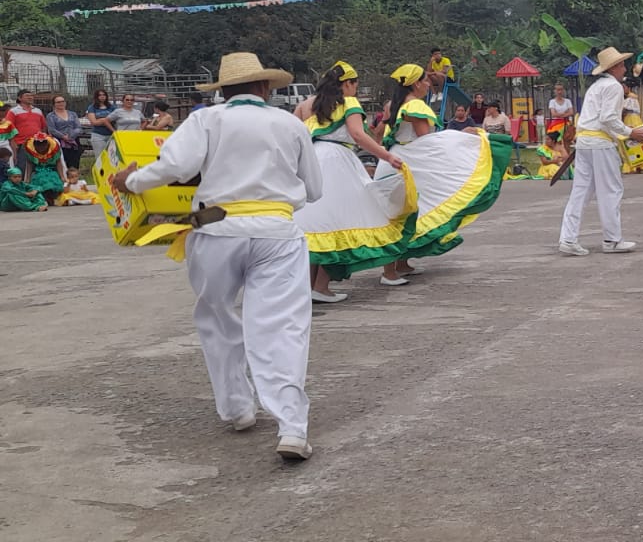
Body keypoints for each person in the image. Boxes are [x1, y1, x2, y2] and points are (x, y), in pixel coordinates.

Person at [108, 52, 323, 461]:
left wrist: (130, 181)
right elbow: (314, 190)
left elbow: (173, 166)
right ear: (264, 87)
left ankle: (238, 408)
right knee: (280, 328)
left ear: (223, 89)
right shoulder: (290, 123)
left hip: (216, 229)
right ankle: (292, 427)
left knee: (217, 317)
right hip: (276, 233)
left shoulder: (206, 119)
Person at [371, 64, 511, 282]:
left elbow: (379, 133)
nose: (428, 85)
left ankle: (401, 264)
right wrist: (460, 135)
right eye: (426, 81)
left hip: (394, 159)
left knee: (403, 212)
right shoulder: (415, 105)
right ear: (416, 84)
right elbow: (427, 140)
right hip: (406, 163)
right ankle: (389, 272)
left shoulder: (392, 105)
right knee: (399, 215)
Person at [295, 61, 412, 304]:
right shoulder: (349, 103)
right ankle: (321, 287)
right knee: (338, 223)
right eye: (355, 84)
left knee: (316, 225)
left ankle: (309, 288)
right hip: (338, 161)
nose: (356, 89)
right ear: (347, 84)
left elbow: (292, 133)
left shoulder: (307, 105)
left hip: (311, 160)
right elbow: (358, 135)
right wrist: (387, 156)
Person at [559, 48, 643, 256]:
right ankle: (612, 239)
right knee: (610, 190)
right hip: (601, 143)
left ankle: (568, 238)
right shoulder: (613, 87)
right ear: (615, 67)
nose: (625, 68)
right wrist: (630, 132)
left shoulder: (596, 86)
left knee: (580, 192)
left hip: (585, 141)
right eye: (622, 65)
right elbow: (608, 117)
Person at [4, 89, 46, 178]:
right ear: (19, 98)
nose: (30, 97)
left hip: (37, 144)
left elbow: (43, 127)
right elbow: (8, 128)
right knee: (22, 168)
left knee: (38, 167)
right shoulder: (13, 111)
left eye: (31, 96)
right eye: (27, 96)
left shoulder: (38, 111)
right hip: (21, 144)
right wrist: (13, 143)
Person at [19, 133, 67, 204]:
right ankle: (43, 198)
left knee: (52, 183)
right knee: (37, 184)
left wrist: (62, 176)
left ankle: (51, 197)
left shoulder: (53, 148)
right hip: (38, 171)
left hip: (51, 171)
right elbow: (29, 164)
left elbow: (58, 162)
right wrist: (27, 178)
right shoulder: (31, 149)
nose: (41, 147)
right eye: (38, 145)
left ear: (47, 144)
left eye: (43, 145)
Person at [45, 95, 83, 171]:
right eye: (58, 102)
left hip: (74, 142)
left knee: (74, 164)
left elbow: (78, 127)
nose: (61, 103)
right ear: (54, 104)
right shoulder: (50, 116)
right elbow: (52, 129)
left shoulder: (73, 114)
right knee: (62, 164)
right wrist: (63, 136)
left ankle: (73, 177)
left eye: (63, 101)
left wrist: (71, 136)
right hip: (59, 142)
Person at [85, 89, 116, 159]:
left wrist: (102, 120)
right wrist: (105, 121)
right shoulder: (92, 107)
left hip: (111, 135)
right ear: (96, 97)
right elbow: (94, 122)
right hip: (98, 136)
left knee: (111, 158)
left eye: (104, 95)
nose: (102, 97)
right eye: (100, 95)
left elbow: (115, 119)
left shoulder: (112, 107)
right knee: (100, 157)